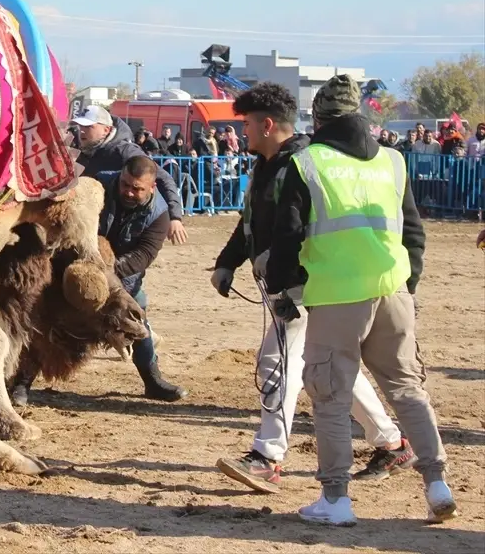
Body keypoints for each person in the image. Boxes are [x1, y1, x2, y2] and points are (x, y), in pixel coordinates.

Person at [265, 74, 455, 526]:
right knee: (408, 390)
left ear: (321, 116)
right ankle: (437, 484)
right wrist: (409, 283)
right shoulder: (392, 160)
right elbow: (413, 230)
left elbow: (286, 236)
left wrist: (283, 290)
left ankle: (335, 499)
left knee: (330, 396)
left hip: (337, 297)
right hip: (393, 288)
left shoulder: (308, 163)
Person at [210, 83, 411, 494]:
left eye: (246, 124)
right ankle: (391, 442)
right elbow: (251, 221)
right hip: (297, 282)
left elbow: (297, 231)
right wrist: (228, 262)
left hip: (307, 283)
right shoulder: (266, 164)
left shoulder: (302, 163)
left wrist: (288, 283)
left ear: (267, 125)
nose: (242, 132)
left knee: (278, 360)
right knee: (331, 366)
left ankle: (267, 456)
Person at [95, 156, 187, 400]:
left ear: (151, 187)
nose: (129, 192)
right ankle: (22, 383)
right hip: (82, 263)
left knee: (137, 319)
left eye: (137, 189)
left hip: (122, 277)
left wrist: (106, 272)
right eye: (125, 184)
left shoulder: (159, 214)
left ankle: (152, 380)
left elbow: (143, 256)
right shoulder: (99, 186)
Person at [71, 106, 188, 244]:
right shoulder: (82, 150)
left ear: (106, 130)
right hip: (87, 223)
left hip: (120, 229)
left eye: (89, 126)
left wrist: (175, 217)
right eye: (80, 126)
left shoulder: (125, 151)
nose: (82, 131)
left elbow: (163, 177)